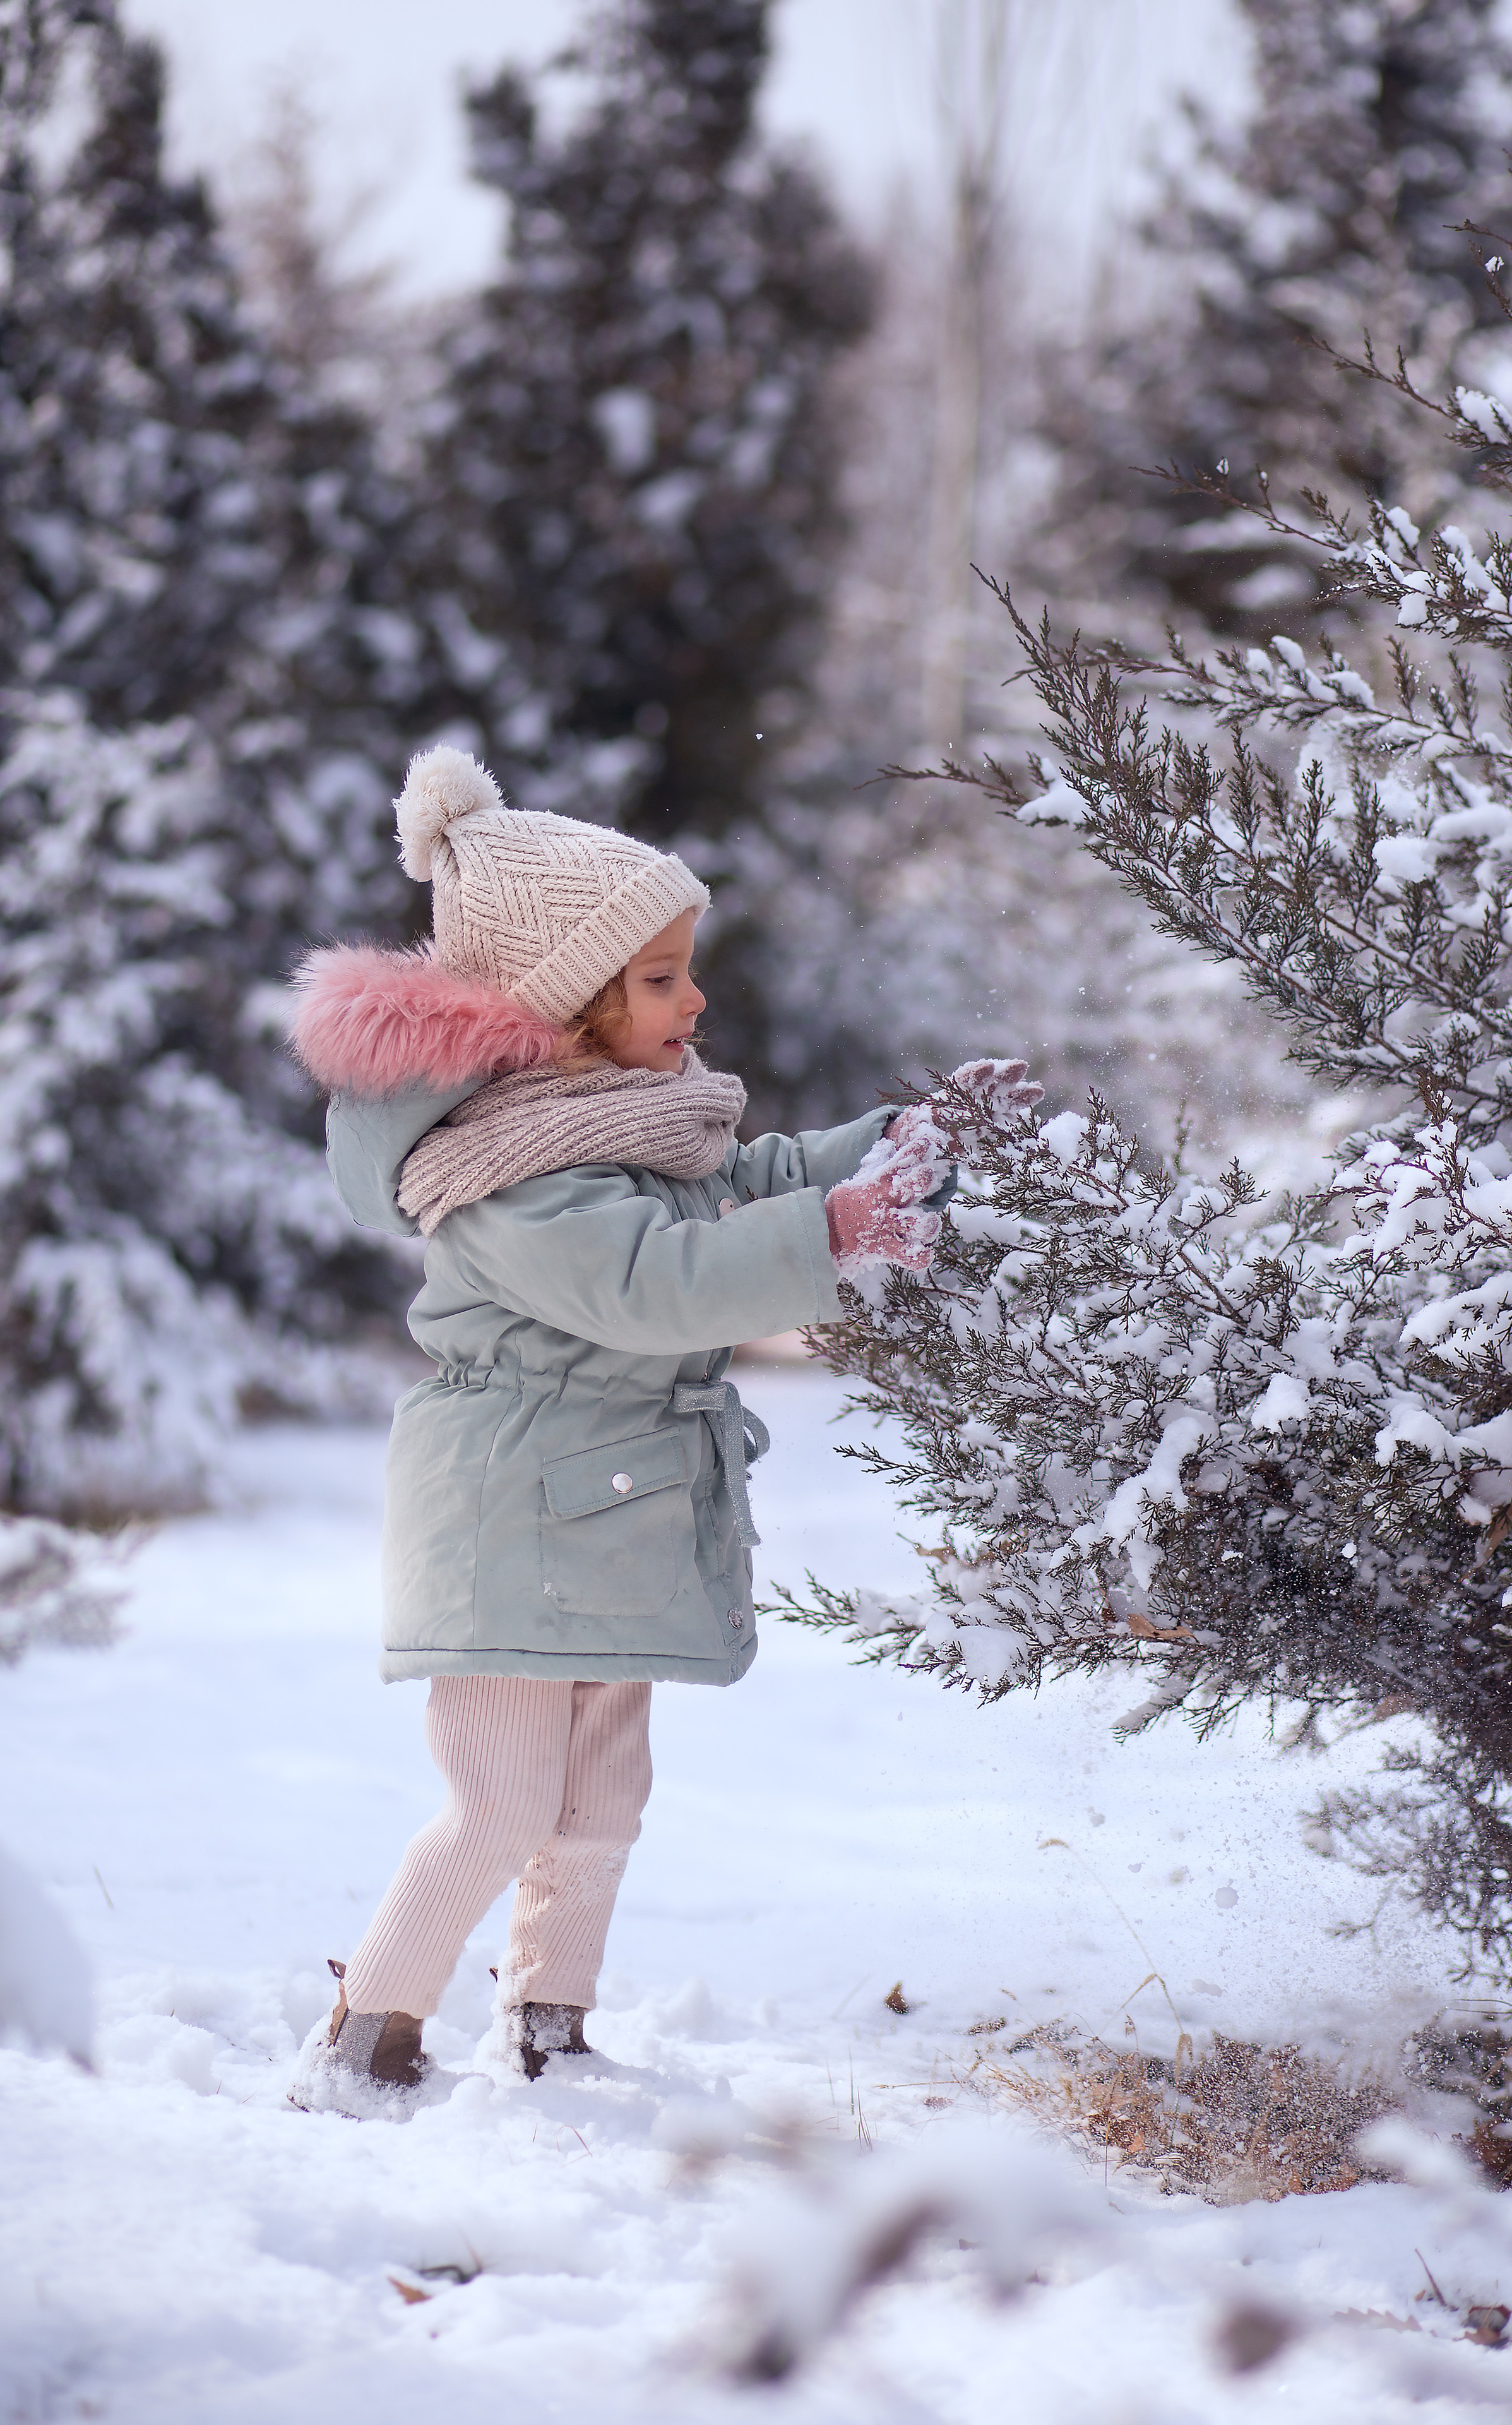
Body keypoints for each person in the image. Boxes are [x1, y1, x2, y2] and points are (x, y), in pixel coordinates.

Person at [282, 743, 981, 2114]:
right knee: (497, 1806)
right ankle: (368, 2039)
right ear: (569, 1001)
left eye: (683, 968)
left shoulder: (618, 1127)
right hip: (505, 1523)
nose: (694, 999)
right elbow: (652, 1286)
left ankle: (549, 2026)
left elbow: (743, 1178)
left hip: (610, 1508)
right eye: (660, 978)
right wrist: (827, 1241)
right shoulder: (501, 1180)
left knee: (601, 1805)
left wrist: (893, 1142)